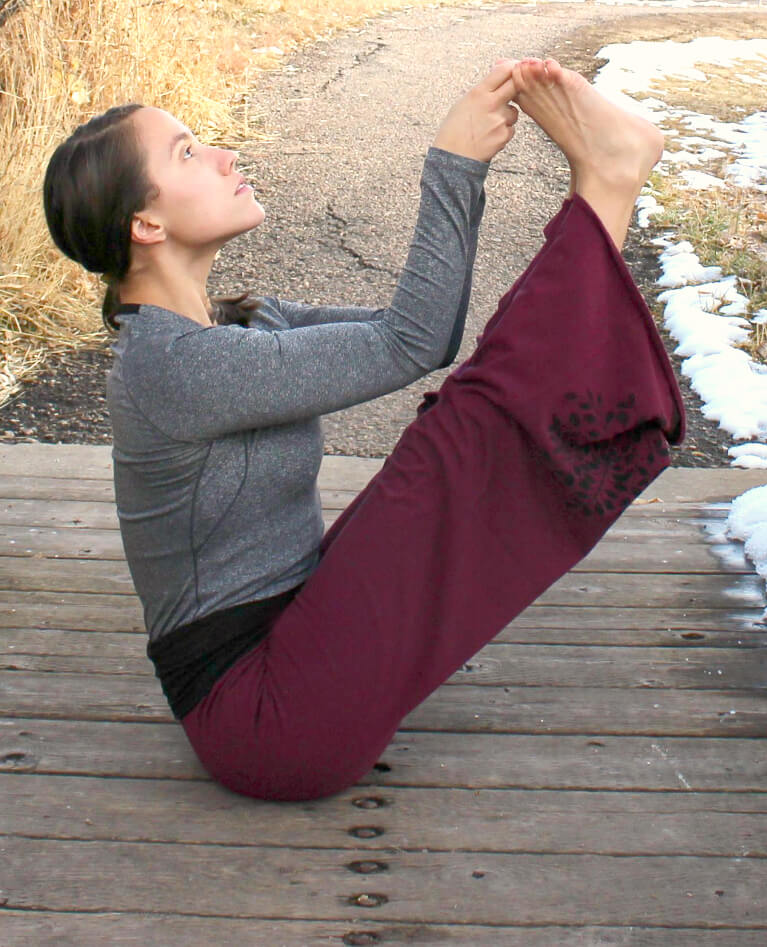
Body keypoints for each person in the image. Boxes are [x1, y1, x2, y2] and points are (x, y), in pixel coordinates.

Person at [41, 58, 685, 801]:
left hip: (291, 639)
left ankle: (603, 187)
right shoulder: (173, 366)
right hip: (263, 718)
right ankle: (606, 185)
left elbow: (422, 337)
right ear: (145, 224)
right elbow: (407, 341)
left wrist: (461, 173)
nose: (225, 156)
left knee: (463, 411)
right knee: (455, 443)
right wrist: (452, 166)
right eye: (187, 152)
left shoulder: (239, 324)